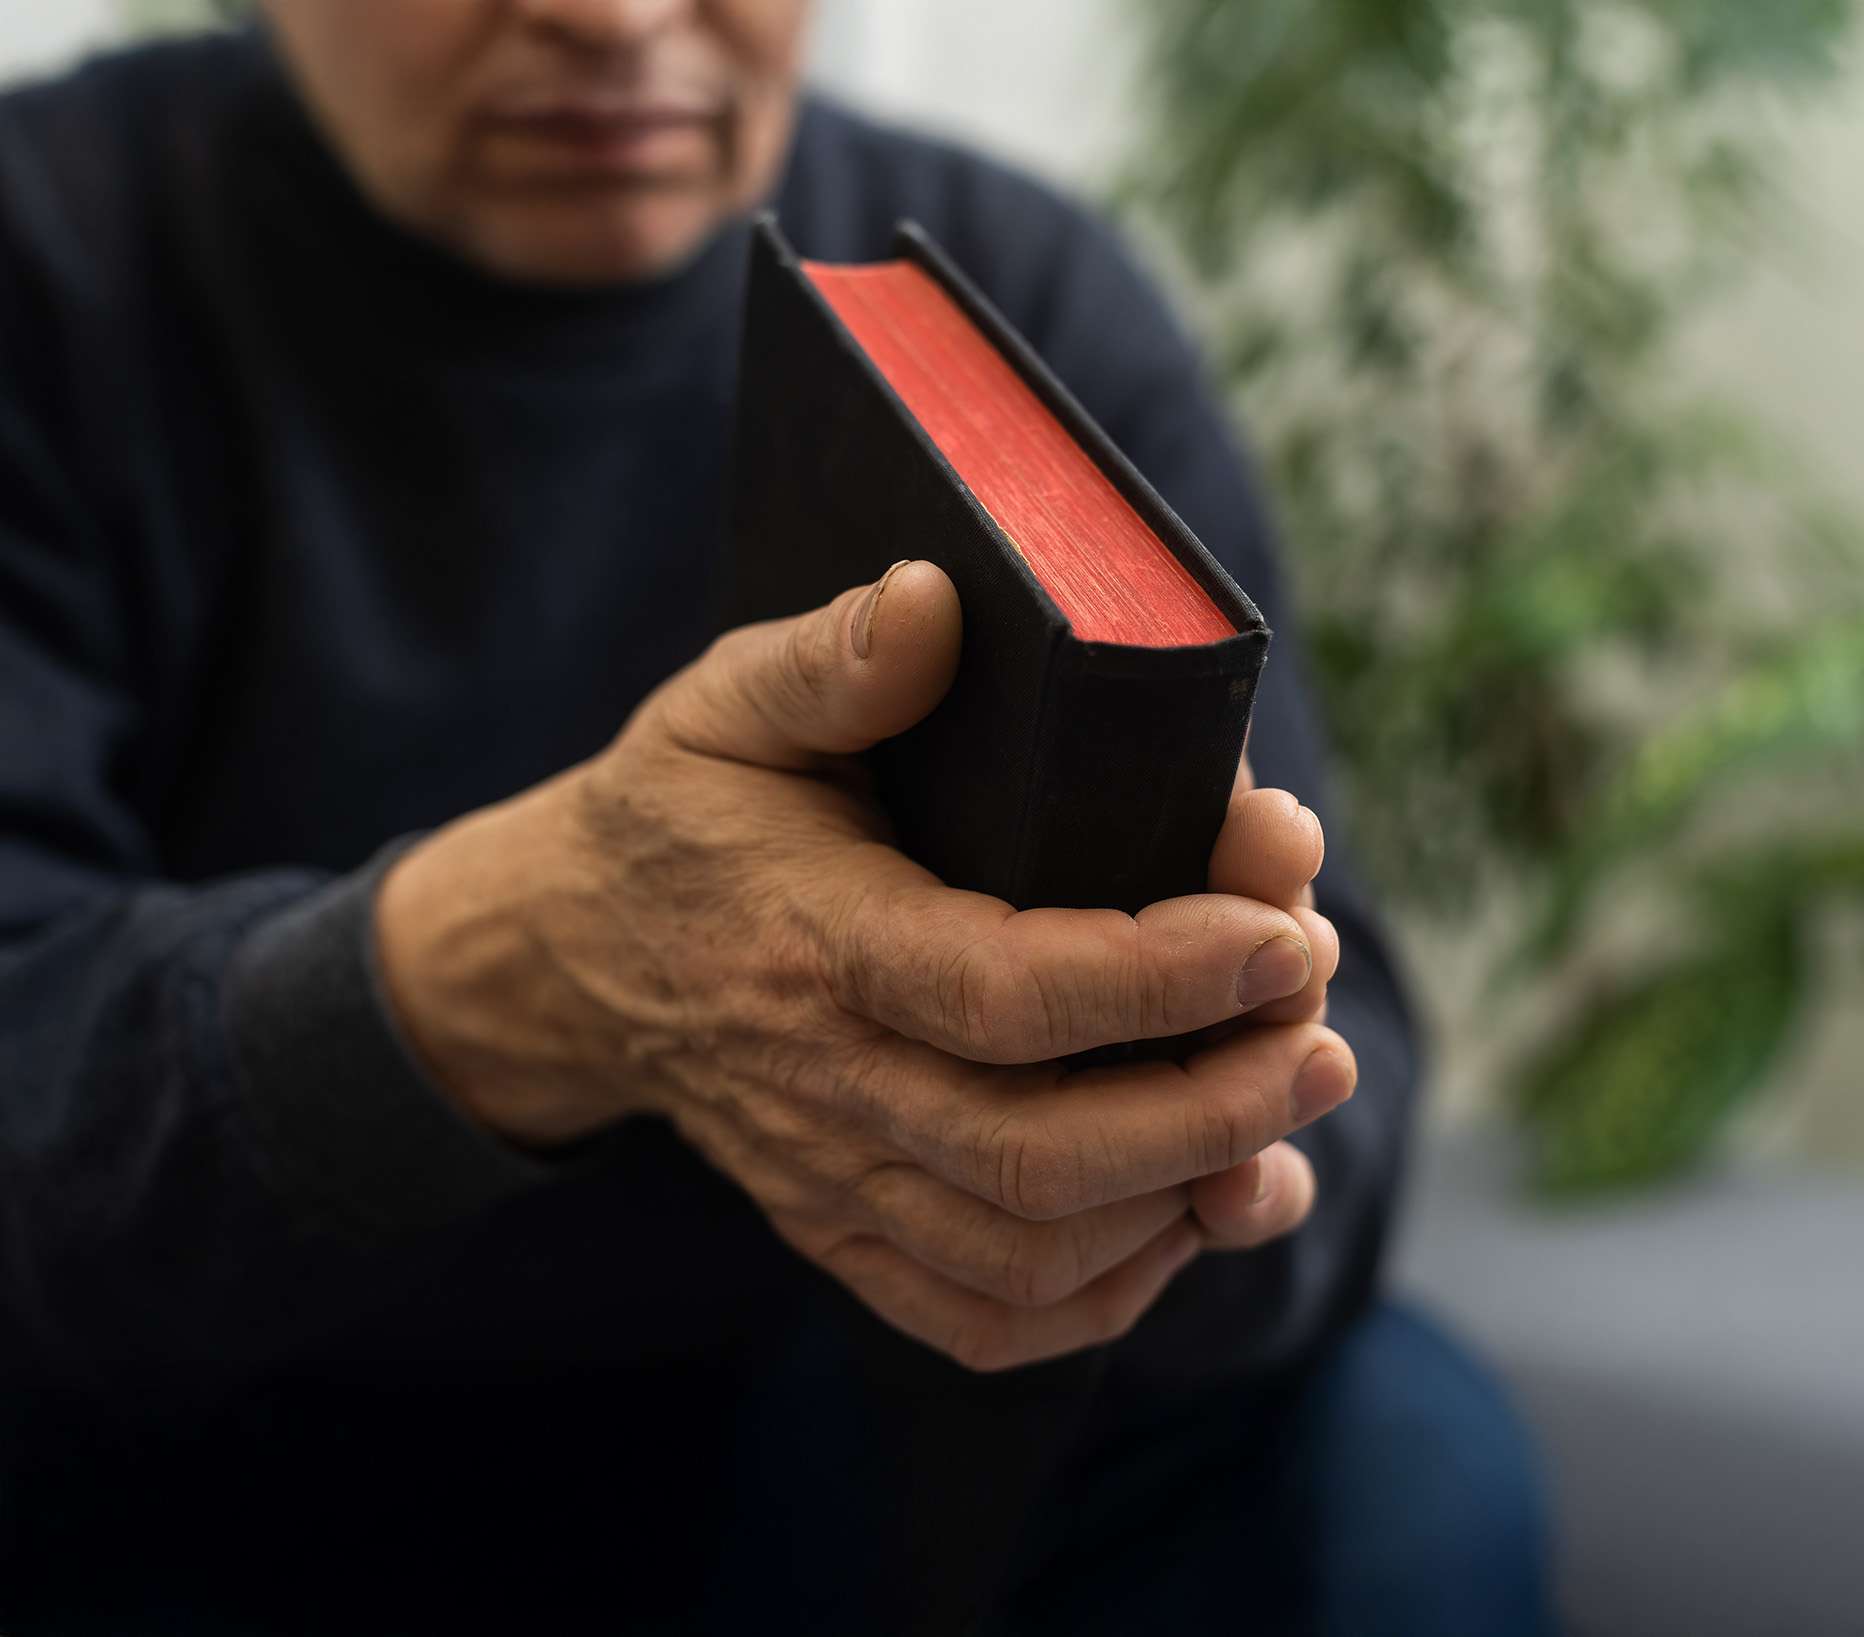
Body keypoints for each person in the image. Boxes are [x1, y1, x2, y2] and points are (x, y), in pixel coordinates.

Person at [0, 1, 1551, 1631]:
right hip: (230, 1439)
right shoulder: (57, 264)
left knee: (1404, 1455)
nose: (611, 19)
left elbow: (1345, 1070)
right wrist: (530, 962)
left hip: (903, 1441)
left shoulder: (1012, 285)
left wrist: (1159, 1147)